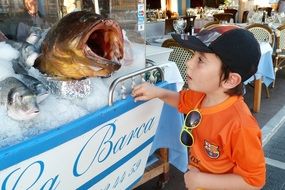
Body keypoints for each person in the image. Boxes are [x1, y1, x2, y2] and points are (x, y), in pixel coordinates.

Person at [132, 25, 266, 190]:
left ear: (230, 80)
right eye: (193, 55)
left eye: (200, 59)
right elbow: (181, 100)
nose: (188, 62)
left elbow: (254, 181)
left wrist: (201, 181)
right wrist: (157, 92)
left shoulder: (240, 125)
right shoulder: (201, 95)